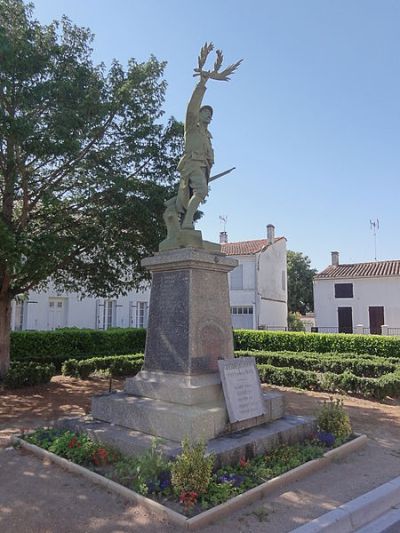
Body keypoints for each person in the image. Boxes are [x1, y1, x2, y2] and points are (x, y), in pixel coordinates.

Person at [176, 72, 214, 230]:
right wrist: (201, 85)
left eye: (210, 114)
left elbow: (210, 156)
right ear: (198, 114)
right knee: (202, 191)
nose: (208, 115)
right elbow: (192, 107)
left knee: (196, 195)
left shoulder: (207, 136)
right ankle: (186, 223)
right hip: (191, 164)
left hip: (203, 167)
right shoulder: (191, 128)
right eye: (205, 112)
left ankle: (186, 220)